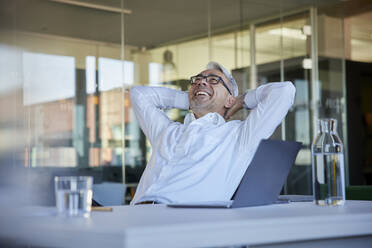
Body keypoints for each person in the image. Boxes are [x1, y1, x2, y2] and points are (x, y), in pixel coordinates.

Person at [130, 62, 295, 205]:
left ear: (229, 99)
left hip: (181, 225)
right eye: (197, 80)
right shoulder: (167, 131)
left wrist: (240, 101)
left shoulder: (239, 136)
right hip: (136, 212)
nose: (201, 82)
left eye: (213, 80)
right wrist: (190, 98)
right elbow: (138, 94)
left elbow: (284, 91)